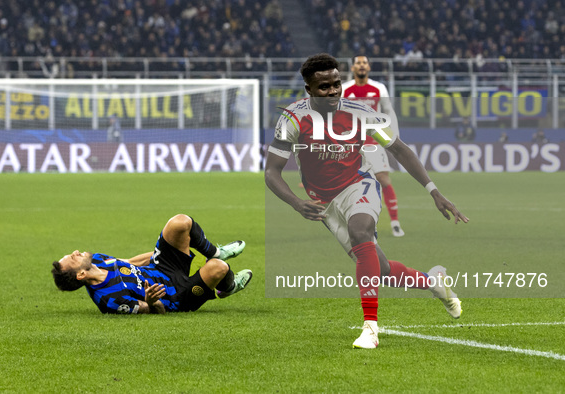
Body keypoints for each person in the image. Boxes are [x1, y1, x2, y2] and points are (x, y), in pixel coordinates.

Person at [265, 53, 469, 349]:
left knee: (361, 231)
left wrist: (434, 190)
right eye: (324, 87)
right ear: (309, 90)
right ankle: (433, 281)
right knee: (381, 270)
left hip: (358, 184)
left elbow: (399, 149)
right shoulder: (293, 118)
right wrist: (296, 203)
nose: (334, 91)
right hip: (323, 203)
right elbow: (272, 171)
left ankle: (370, 329)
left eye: (337, 84)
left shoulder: (360, 112)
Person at [52, 214, 252, 314]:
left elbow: (129, 262)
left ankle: (216, 251)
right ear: (80, 275)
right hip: (176, 295)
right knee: (219, 267)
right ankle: (228, 287)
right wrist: (150, 300)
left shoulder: (96, 260)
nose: (75, 252)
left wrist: (163, 251)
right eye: (73, 258)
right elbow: (154, 310)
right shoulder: (108, 300)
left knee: (179, 222)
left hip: (161, 268)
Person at [342, 55, 405, 237]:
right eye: (358, 63)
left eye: (364, 63)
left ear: (368, 67)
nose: (361, 66)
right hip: (351, 143)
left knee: (384, 180)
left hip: (373, 141)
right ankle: (353, 223)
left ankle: (395, 223)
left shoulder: (379, 88)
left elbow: (389, 111)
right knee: (349, 186)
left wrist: (394, 136)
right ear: (352, 68)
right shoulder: (345, 89)